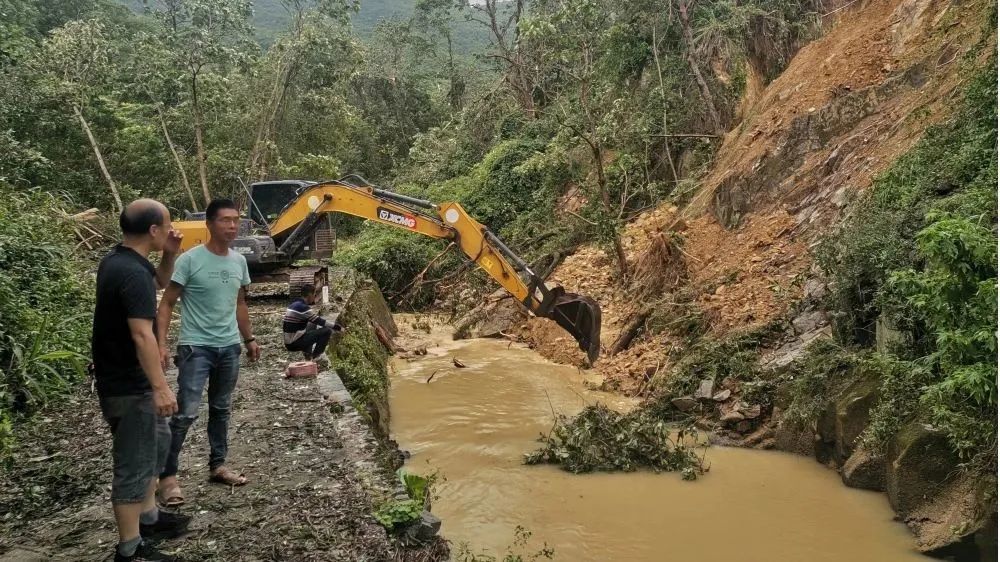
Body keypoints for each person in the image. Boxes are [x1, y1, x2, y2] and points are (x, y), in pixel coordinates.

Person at [92, 199, 190, 562]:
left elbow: (160, 281)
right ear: (152, 231)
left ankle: (148, 518)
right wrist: (160, 386)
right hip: (129, 384)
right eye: (166, 225)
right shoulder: (130, 273)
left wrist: (171, 253)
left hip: (129, 380)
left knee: (156, 443)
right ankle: (130, 549)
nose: (170, 229)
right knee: (134, 462)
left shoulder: (122, 261)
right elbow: (141, 335)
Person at [156, 199, 261, 507]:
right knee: (185, 413)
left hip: (229, 348)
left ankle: (218, 465)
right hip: (195, 348)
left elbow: (240, 303)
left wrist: (250, 339)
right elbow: (167, 304)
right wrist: (161, 344)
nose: (232, 226)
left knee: (221, 409)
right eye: (225, 220)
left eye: (236, 220)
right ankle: (168, 477)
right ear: (210, 224)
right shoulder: (190, 260)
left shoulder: (238, 261)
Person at [283, 288, 343, 362]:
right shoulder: (303, 308)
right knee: (327, 331)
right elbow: (320, 321)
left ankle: (307, 354)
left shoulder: (294, 305)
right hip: (294, 344)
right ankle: (316, 357)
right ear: (310, 295)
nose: (315, 297)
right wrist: (337, 327)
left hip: (289, 341)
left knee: (312, 323)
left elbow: (314, 320)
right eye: (314, 295)